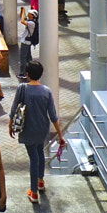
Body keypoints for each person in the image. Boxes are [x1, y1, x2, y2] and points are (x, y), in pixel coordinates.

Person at [10, 62, 66, 200]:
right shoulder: (46, 91)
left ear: (27, 74)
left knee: (33, 158)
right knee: (40, 151)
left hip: (28, 128)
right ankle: (41, 181)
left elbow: (14, 108)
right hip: (42, 128)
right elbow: (53, 115)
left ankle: (33, 192)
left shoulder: (22, 88)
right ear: (41, 74)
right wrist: (60, 134)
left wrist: (10, 124)